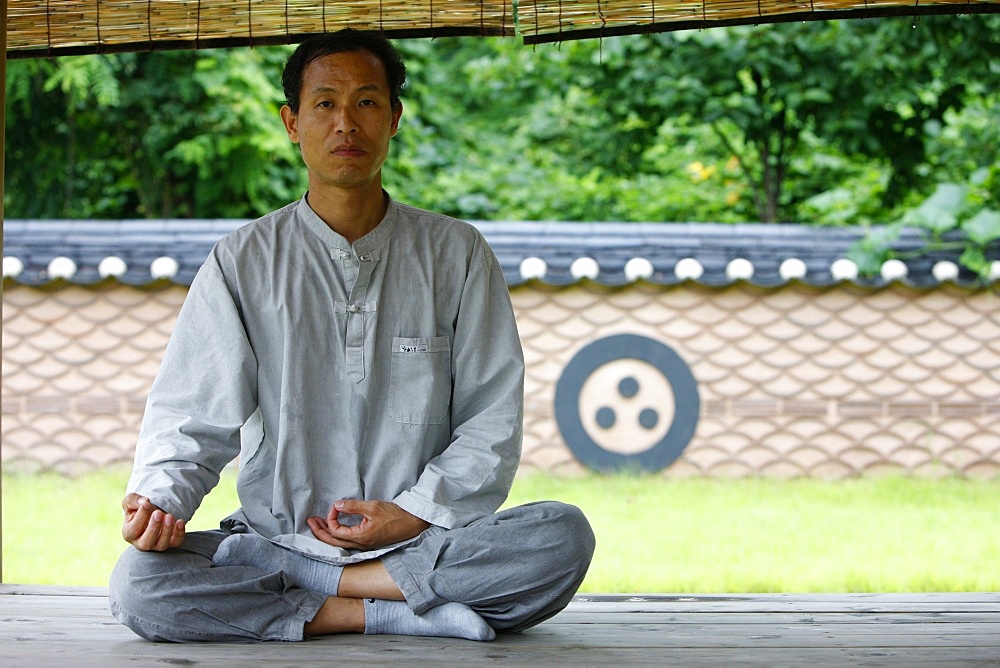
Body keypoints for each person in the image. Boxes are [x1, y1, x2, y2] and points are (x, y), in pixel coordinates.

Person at [108, 29, 595, 643]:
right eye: (324, 103)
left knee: (560, 537)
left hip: (421, 539)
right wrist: (159, 499)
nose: (346, 123)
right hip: (279, 535)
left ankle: (313, 592)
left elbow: (490, 419)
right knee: (140, 585)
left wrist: (410, 514)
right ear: (292, 122)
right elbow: (191, 411)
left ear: (394, 119)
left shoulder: (457, 253)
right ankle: (388, 608)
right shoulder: (244, 261)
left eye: (366, 102)